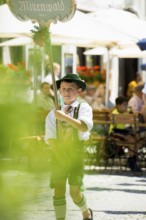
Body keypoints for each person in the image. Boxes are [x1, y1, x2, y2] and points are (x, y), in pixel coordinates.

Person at [45, 73, 93, 220]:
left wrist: (64, 117)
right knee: (58, 189)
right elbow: (51, 138)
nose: (66, 92)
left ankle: (86, 211)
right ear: (59, 90)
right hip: (58, 153)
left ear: (79, 91)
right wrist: (60, 156)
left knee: (74, 191)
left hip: (76, 154)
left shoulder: (84, 107)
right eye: (63, 88)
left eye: (71, 89)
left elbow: (84, 127)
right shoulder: (53, 113)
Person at [108, 96, 142, 174]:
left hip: (124, 132)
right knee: (132, 141)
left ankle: (132, 160)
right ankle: (132, 162)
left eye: (127, 105)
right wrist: (128, 116)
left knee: (136, 140)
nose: (126, 106)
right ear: (118, 105)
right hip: (115, 132)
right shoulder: (115, 113)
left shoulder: (126, 112)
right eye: (124, 105)